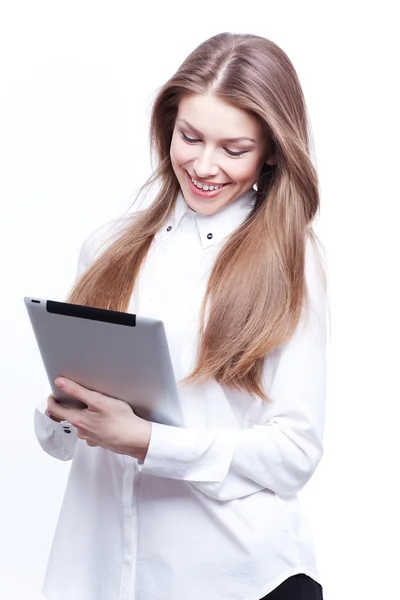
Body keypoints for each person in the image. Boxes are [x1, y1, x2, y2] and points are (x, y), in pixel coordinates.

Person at [34, 32, 327, 600]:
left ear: (271, 148)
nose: (204, 165)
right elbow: (58, 444)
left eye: (234, 149)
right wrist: (65, 411)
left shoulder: (290, 259)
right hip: (102, 575)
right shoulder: (108, 247)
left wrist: (148, 442)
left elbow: (295, 453)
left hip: (239, 579)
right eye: (189, 136)